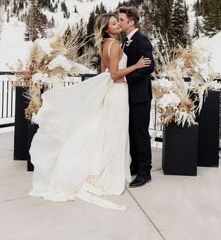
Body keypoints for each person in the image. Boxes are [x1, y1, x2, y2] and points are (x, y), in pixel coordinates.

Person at [29, 13, 151, 210]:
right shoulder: (115, 45)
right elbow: (113, 74)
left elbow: (103, 72)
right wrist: (136, 65)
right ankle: (110, 174)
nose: (118, 24)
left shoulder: (104, 46)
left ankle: (111, 169)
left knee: (110, 133)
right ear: (106, 29)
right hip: (118, 93)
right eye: (113, 23)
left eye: (118, 21)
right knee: (115, 134)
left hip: (113, 94)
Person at [118, 6, 155, 188]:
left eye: (122, 20)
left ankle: (145, 171)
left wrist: (126, 78)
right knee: (132, 132)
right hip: (129, 96)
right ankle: (134, 165)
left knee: (140, 133)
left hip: (140, 96)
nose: (119, 22)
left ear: (131, 22)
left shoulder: (141, 40)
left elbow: (149, 66)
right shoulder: (126, 42)